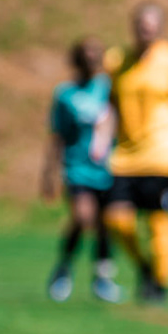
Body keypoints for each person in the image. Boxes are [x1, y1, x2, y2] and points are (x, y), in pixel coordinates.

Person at [103, 2, 168, 305]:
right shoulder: (117, 61)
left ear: (161, 28)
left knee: (159, 220)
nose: (147, 32)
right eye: (142, 26)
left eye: (152, 26)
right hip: (125, 156)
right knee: (117, 219)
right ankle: (144, 268)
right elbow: (111, 106)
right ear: (133, 27)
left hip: (162, 153)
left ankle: (161, 283)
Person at [41, 38, 124, 304]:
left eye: (95, 54)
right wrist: (48, 173)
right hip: (77, 168)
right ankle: (64, 268)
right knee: (83, 216)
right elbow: (57, 136)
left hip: (108, 167)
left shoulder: (109, 88)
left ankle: (103, 277)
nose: (91, 59)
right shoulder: (65, 94)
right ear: (77, 59)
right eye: (86, 54)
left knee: (106, 224)